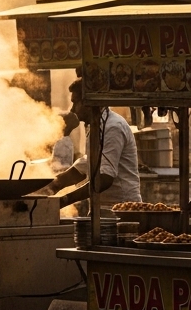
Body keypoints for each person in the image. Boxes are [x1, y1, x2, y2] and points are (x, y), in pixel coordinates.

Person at [48, 80, 142, 211]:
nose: (72, 109)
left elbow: (104, 178)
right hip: (101, 208)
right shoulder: (95, 126)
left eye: (75, 102)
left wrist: (64, 200)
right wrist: (53, 185)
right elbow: (89, 163)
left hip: (122, 209)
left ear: (88, 102)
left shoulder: (112, 127)